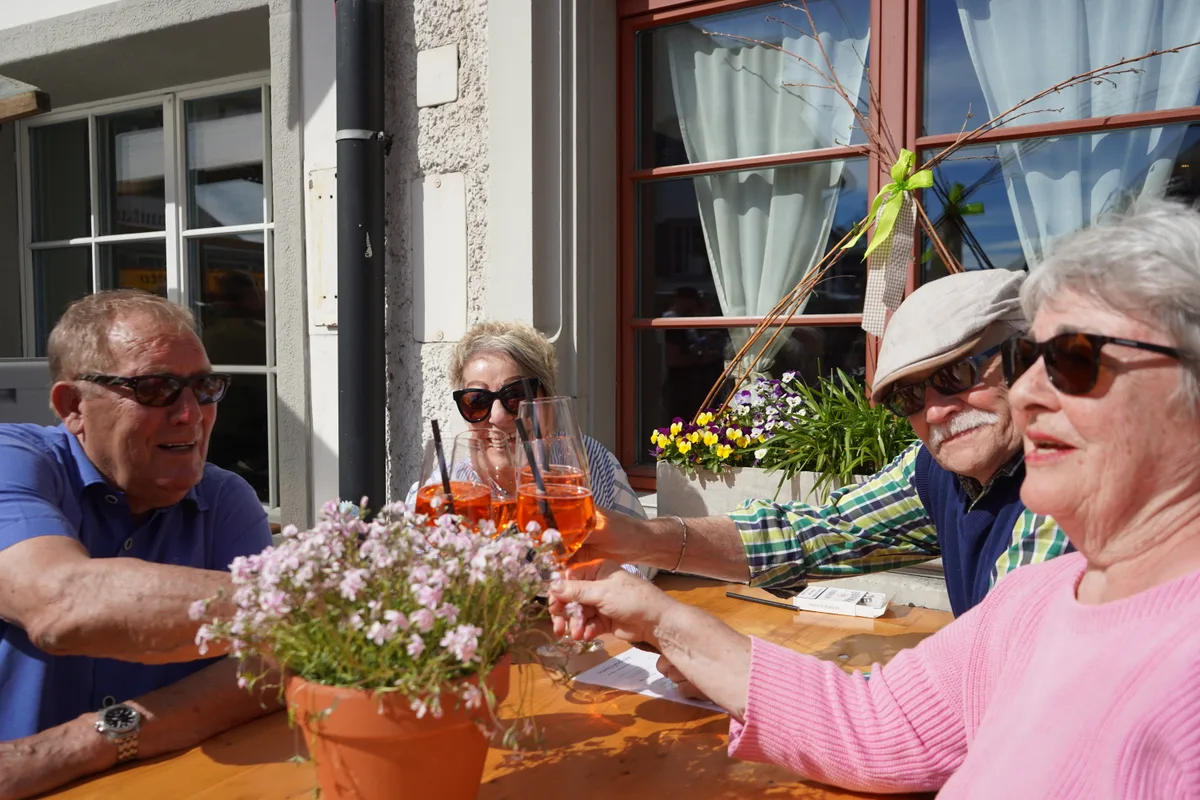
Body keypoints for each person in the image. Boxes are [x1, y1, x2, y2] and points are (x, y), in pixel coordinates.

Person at [550, 200, 1200, 797]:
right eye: (908, 398)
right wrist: (647, 570)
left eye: (1071, 359)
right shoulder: (1031, 591)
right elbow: (819, 544)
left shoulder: (1062, 530)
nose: (935, 409)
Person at [584, 268, 1068, 617]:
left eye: (956, 373)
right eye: (909, 396)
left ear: (1026, 358)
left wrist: (675, 629)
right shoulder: (939, 472)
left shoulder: (1065, 483)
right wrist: (639, 538)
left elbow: (997, 665)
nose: (936, 410)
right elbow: (814, 532)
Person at [0, 291, 278, 800]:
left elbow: (266, 669)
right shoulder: (14, 461)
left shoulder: (225, 499)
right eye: (157, 389)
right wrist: (317, 604)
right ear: (73, 406)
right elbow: (60, 604)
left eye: (204, 387)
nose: (190, 414)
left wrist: (94, 738)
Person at [409, 320, 652, 575]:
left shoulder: (589, 464)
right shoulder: (443, 491)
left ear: (547, 399)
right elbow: (411, 572)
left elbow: (644, 555)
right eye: (478, 401)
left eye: (516, 395)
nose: (498, 416)